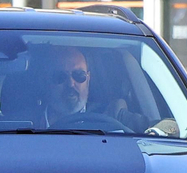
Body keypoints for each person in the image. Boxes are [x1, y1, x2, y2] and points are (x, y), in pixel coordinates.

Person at [28, 46, 178, 136]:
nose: (71, 83)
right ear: (45, 82)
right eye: (60, 76)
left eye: (79, 75)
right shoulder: (21, 124)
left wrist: (151, 136)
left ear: (88, 78)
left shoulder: (113, 114)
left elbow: (173, 126)